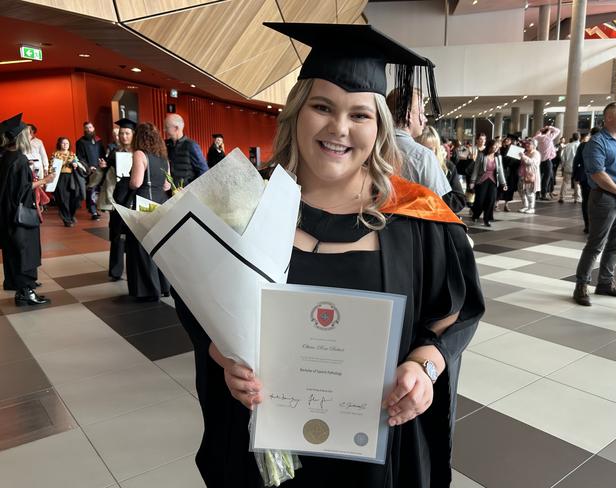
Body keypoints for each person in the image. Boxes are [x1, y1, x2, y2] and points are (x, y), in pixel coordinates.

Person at [172, 22, 484, 488]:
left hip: (373, 443)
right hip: (264, 438)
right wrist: (223, 358)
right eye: (322, 107)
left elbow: (451, 316)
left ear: (378, 127)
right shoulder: (244, 204)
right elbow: (199, 301)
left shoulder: (417, 217)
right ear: (296, 113)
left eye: (360, 114)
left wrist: (424, 369)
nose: (339, 128)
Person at [573, 102, 616, 307]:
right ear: (608, 118)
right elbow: (598, 174)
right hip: (605, 198)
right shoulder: (596, 143)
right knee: (596, 244)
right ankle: (581, 285)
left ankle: (605, 283)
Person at [0, 113, 54, 304]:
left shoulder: (5, 156)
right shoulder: (20, 160)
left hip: (6, 213)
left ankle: (16, 286)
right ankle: (26, 293)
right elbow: (22, 190)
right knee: (26, 250)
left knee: (12, 250)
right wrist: (44, 181)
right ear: (21, 137)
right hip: (21, 214)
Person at [125, 122, 171, 301]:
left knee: (142, 247)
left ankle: (148, 290)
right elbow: (167, 184)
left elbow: (136, 182)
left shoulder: (139, 154)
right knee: (159, 246)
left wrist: (126, 181)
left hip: (144, 203)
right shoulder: (163, 157)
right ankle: (164, 286)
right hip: (161, 202)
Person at [386, 87, 452, 199]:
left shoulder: (369, 150)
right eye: (422, 112)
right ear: (408, 116)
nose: (425, 119)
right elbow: (435, 206)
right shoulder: (424, 157)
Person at [102, 118, 137, 281]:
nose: (124, 136)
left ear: (133, 134)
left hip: (134, 197)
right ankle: (115, 270)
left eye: (127, 133)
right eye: (122, 133)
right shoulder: (114, 153)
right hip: (118, 197)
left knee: (134, 236)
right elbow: (105, 174)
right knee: (116, 234)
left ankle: (135, 269)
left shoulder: (139, 153)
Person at [416, 126, 465, 213]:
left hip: (439, 219)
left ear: (437, 148)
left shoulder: (447, 167)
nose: (426, 154)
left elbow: (459, 201)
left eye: (430, 149)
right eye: (422, 149)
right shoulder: (411, 167)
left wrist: (438, 194)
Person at [164, 114, 208, 187]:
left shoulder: (191, 145)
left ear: (176, 128)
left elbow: (204, 171)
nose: (164, 130)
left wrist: (191, 189)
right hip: (169, 194)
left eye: (166, 127)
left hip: (185, 194)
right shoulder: (166, 145)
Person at [469, 139, 506, 226]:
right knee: (480, 200)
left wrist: (503, 183)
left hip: (493, 181)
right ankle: (476, 214)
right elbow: (476, 169)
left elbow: (500, 171)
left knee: (491, 200)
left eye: (497, 147)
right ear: (490, 146)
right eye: (495, 146)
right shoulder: (482, 155)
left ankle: (487, 219)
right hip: (482, 180)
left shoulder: (498, 157)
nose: (496, 148)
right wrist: (472, 182)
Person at [50, 137, 86, 227]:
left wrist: (75, 165)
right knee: (63, 199)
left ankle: (71, 215)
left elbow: (79, 165)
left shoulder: (72, 154)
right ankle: (66, 219)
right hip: (60, 177)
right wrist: (62, 163)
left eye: (67, 143)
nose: (65, 145)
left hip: (72, 178)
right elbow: (52, 167)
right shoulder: (55, 154)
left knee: (74, 198)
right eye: (63, 143)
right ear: (59, 144)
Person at [75, 121, 106, 220]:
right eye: (86, 128)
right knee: (91, 189)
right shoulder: (80, 142)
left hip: (100, 168)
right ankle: (93, 211)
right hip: (89, 169)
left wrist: (103, 164)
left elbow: (103, 154)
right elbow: (80, 157)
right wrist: (88, 167)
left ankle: (95, 208)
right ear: (84, 129)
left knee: (99, 189)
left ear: (93, 128)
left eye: (90, 127)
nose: (89, 129)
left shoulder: (98, 141)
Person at [572, 129, 597, 233]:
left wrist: (575, 176)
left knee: (586, 201)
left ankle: (587, 224)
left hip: (585, 177)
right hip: (598, 178)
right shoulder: (602, 144)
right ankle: (595, 224)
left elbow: (576, 161)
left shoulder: (583, 145)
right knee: (597, 201)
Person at [533, 125, 561, 200]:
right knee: (546, 178)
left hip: (539, 161)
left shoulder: (538, 138)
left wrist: (541, 130)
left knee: (539, 178)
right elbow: (558, 130)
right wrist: (549, 127)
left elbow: (535, 136)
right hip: (547, 161)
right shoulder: (549, 138)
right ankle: (543, 195)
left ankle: (537, 194)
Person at [518, 138, 541, 214]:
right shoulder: (525, 152)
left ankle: (531, 207)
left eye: (529, 144)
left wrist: (523, 156)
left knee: (530, 192)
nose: (527, 145)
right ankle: (525, 206)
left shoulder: (536, 153)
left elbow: (531, 162)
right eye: (526, 143)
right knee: (522, 191)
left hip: (530, 175)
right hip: (522, 174)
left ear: (534, 146)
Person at [498, 136, 521, 211]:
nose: (507, 140)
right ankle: (496, 204)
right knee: (500, 187)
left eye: (509, 139)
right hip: (503, 170)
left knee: (510, 189)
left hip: (512, 171)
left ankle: (506, 204)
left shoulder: (516, 150)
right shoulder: (501, 148)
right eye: (506, 139)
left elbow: (518, 162)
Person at [559, 132, 581, 204]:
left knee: (565, 182)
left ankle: (562, 197)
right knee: (577, 183)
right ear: (579, 137)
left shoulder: (567, 146)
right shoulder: (580, 145)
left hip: (568, 166)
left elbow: (563, 157)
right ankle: (577, 198)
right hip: (577, 167)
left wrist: (563, 165)